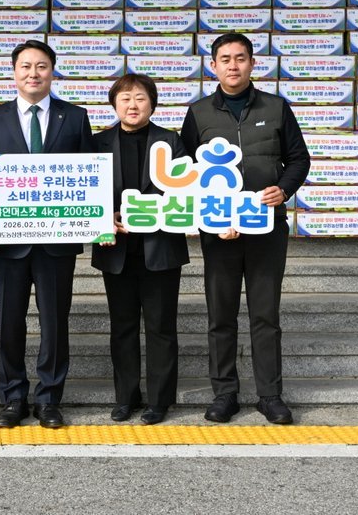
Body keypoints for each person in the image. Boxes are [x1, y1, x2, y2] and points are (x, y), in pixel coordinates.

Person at [181, 33, 310, 425]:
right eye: (225, 59)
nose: (233, 65)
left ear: (253, 64)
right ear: (213, 66)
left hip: (266, 228)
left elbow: (299, 159)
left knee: (265, 315)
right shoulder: (199, 113)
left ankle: (270, 396)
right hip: (218, 230)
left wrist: (283, 189)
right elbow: (186, 171)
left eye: (240, 58)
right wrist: (210, 215)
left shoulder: (276, 107)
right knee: (220, 315)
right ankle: (225, 394)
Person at [0, 39, 95, 429]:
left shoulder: (74, 117)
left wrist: (95, 220)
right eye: (25, 66)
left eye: (41, 66)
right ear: (13, 73)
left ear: (52, 71)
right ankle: (12, 397)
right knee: (9, 321)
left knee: (55, 323)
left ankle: (48, 398)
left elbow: (90, 175)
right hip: (8, 241)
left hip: (57, 242)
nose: (33, 73)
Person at [93, 74, 189, 425]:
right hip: (116, 249)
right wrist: (103, 217)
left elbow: (185, 192)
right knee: (122, 327)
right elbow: (87, 192)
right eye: (125, 99)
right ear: (114, 104)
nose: (132, 105)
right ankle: (126, 397)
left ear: (152, 104)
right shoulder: (97, 143)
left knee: (161, 327)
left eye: (140, 98)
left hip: (160, 249)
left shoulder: (170, 141)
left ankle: (159, 401)